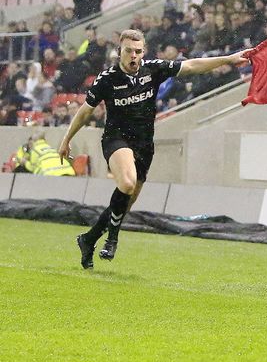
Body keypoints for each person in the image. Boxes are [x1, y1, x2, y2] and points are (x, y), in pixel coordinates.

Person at [58, 29, 251, 269]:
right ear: (120, 51)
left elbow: (191, 66)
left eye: (138, 51)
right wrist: (66, 140)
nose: (134, 56)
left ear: (143, 52)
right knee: (127, 184)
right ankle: (112, 239)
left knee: (125, 203)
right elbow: (86, 110)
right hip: (116, 139)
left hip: (144, 144)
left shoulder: (153, 69)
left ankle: (88, 239)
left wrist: (230, 59)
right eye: (129, 51)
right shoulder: (107, 79)